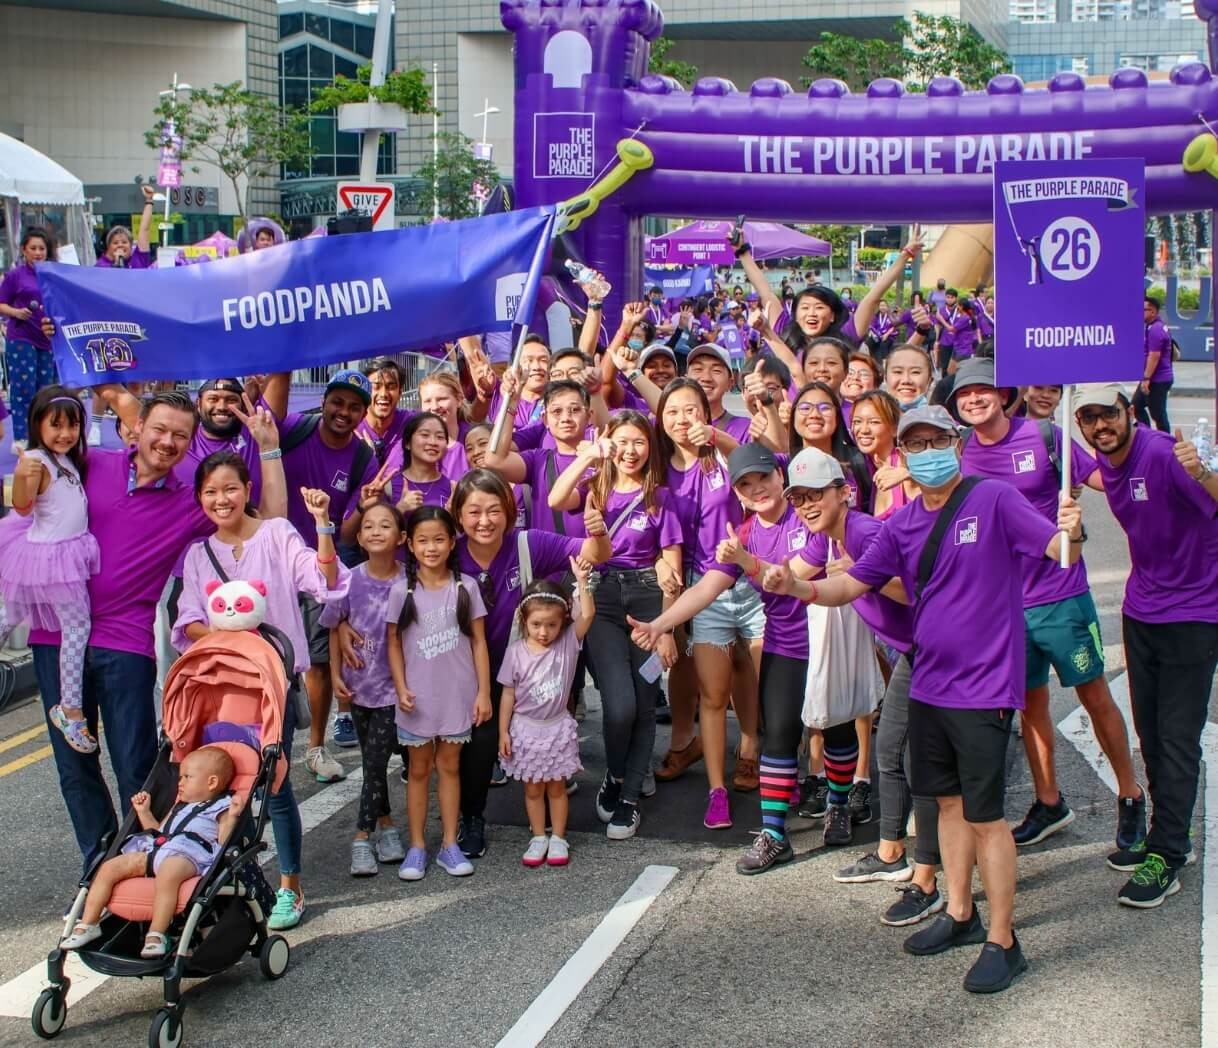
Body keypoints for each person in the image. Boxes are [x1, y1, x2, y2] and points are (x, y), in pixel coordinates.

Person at [776, 404, 1083, 994]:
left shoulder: (992, 498)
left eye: (934, 439)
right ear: (905, 455)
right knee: (944, 804)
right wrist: (797, 586)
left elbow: (1056, 551)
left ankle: (1004, 940)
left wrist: (1071, 527)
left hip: (985, 686)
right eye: (913, 443)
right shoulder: (901, 524)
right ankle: (960, 913)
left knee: (985, 816)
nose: (925, 451)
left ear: (956, 441)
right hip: (929, 684)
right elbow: (850, 583)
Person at [950, 358, 1145, 854]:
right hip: (1005, 608)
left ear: (1003, 393)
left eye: (983, 391)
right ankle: (1049, 802)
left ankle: (1130, 794)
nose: (974, 400)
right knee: (1031, 707)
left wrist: (1162, 470)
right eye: (964, 394)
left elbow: (1107, 476)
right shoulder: (962, 451)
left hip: (1061, 597)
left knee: (1094, 697)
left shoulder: (1044, 436)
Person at [27, 391, 219, 872]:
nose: (167, 441)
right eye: (159, 429)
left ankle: (146, 859)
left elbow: (256, 514)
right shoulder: (92, 465)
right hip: (55, 634)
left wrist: (269, 449)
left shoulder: (190, 499)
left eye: (180, 434)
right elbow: (42, 467)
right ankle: (99, 865)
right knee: (74, 764)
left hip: (126, 642)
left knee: (135, 762)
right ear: (137, 430)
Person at [765, 448, 942, 926]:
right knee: (893, 750)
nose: (805, 505)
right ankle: (893, 854)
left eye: (815, 495)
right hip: (913, 651)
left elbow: (915, 589)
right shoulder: (827, 538)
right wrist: (748, 561)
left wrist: (865, 579)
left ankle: (924, 870)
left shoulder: (862, 531)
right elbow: (789, 575)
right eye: (798, 498)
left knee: (910, 757)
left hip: (935, 650)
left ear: (843, 493)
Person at [174, 448, 346, 932]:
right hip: (220, 686)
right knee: (225, 782)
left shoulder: (277, 534)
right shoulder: (197, 554)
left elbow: (323, 581)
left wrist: (324, 525)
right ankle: (235, 876)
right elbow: (187, 619)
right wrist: (228, 636)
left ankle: (290, 886)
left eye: (230, 488)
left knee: (273, 783)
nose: (221, 499)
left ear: (248, 490)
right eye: (210, 492)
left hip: (271, 682)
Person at [1074, 383, 1218, 907]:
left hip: (1194, 616)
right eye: (1087, 418)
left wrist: (1201, 471)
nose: (1099, 425)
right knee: (1152, 734)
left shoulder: (1163, 454)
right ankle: (1168, 838)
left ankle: (1168, 856)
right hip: (1142, 612)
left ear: (1129, 412)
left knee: (1177, 738)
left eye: (1107, 414)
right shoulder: (1104, 459)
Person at [549, 411, 683, 839]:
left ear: (651, 447)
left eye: (639, 442)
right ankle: (618, 773)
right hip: (602, 601)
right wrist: (589, 455)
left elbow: (673, 572)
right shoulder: (596, 488)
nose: (630, 451)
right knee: (619, 702)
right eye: (621, 442)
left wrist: (665, 628)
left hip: (647, 601)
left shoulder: (661, 497)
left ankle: (626, 796)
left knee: (644, 704)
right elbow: (555, 499)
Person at [651, 379, 763, 824]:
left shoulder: (720, 453)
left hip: (750, 579)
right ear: (661, 419)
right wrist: (663, 565)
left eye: (690, 409)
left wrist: (719, 439)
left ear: (706, 413)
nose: (682, 419)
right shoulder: (656, 468)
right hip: (701, 587)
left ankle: (751, 748)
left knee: (755, 674)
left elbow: (753, 467)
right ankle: (716, 790)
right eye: (672, 411)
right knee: (712, 693)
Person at [264, 368, 379, 775]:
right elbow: (270, 415)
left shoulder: (364, 457)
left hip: (319, 564)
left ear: (363, 413)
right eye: (337, 402)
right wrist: (286, 359)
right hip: (270, 561)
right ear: (324, 401)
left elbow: (348, 534)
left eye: (353, 407)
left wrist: (362, 506)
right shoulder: (295, 428)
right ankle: (260, 744)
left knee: (317, 662)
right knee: (263, 656)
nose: (343, 412)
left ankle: (314, 747)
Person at [387, 506, 491, 881]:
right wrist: (400, 686)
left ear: (452, 542)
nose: (431, 548)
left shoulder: (467, 587)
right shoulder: (402, 591)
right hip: (417, 697)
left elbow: (479, 642)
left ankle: (450, 843)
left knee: (449, 767)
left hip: (456, 695)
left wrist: (483, 693)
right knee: (418, 770)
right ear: (410, 545)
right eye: (422, 541)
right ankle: (416, 846)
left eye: (439, 539)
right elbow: (394, 644)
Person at [60, 747, 243, 958]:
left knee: (168, 874)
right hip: (159, 849)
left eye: (187, 777)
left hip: (189, 856)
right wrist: (144, 812)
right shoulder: (179, 807)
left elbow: (223, 840)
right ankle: (89, 923)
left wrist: (234, 817)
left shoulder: (222, 806)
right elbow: (158, 833)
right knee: (110, 867)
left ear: (211, 782)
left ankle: (156, 933)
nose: (179, 782)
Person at [0, 388, 99, 751]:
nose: (65, 433)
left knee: (13, 612)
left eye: (72, 425)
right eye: (55, 425)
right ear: (37, 424)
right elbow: (23, 506)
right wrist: (25, 473)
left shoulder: (67, 460)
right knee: (76, 626)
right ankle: (70, 709)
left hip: (58, 553)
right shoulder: (39, 460)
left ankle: (69, 707)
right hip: (52, 558)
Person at [320, 503, 409, 877]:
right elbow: (333, 624)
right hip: (358, 688)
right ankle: (387, 828)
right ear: (358, 537)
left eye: (385, 525)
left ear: (402, 538)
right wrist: (337, 676)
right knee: (374, 764)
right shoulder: (349, 579)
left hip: (394, 689)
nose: (375, 531)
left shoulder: (410, 580)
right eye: (368, 526)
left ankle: (360, 837)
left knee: (374, 762)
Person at [500, 566, 594, 866]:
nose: (544, 632)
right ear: (524, 621)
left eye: (552, 625)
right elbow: (508, 695)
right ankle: (538, 835)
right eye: (537, 624)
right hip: (525, 730)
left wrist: (581, 581)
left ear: (562, 622)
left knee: (557, 787)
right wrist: (503, 732)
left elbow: (588, 615)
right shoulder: (515, 652)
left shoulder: (567, 643)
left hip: (557, 728)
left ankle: (559, 837)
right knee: (532, 788)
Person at [0, 227, 58, 453]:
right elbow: (1, 302)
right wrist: (16, 313)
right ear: (24, 250)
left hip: (47, 339)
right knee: (23, 389)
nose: (37, 252)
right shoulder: (15, 275)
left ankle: (43, 434)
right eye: (33, 248)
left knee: (46, 390)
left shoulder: (52, 275)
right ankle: (22, 437)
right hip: (21, 337)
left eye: (41, 248)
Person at [387, 412, 454, 515]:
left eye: (440, 437)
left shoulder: (452, 488)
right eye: (425, 435)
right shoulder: (389, 487)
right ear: (407, 443)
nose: (433, 442)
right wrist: (400, 508)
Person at [1134, 297, 1173, 432]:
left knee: (1158, 414)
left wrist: (1146, 378)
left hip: (1157, 380)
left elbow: (1154, 355)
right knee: (1136, 406)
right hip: (1154, 378)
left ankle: (1165, 443)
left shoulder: (1156, 329)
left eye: (1143, 310)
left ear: (1152, 311)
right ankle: (1147, 435)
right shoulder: (1152, 327)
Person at [95, 185, 156, 268]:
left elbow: (144, 229)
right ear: (108, 247)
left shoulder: (138, 258)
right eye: (115, 243)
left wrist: (149, 200)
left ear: (131, 246)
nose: (120, 245)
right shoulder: (100, 266)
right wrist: (117, 263)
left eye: (124, 242)